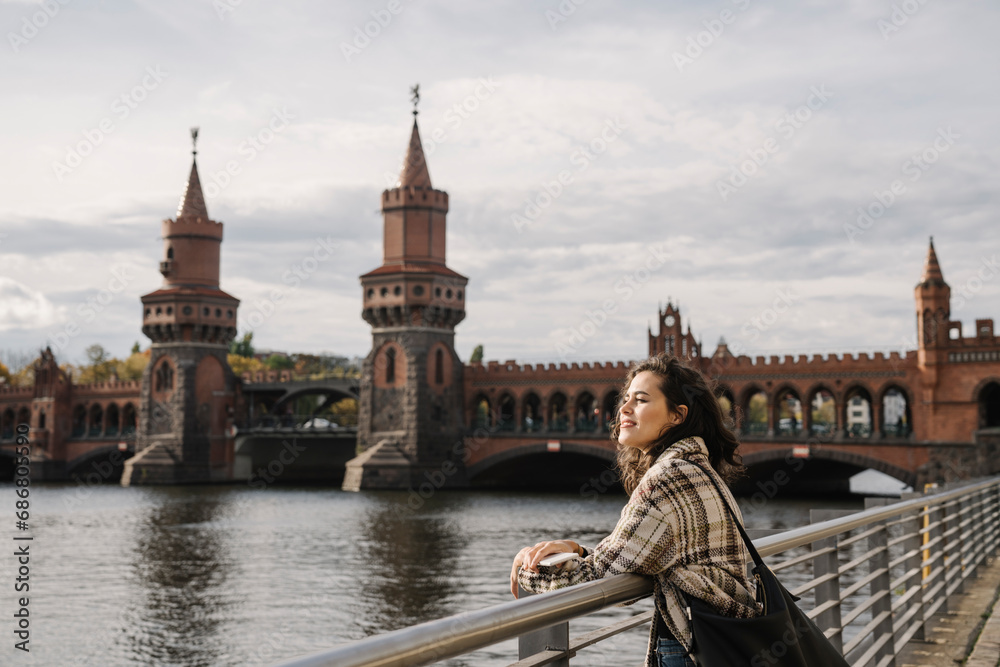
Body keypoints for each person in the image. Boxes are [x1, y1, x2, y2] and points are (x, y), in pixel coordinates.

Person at [510, 354, 760, 667]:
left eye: (641, 400)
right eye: (625, 398)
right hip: (727, 641)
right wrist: (576, 549)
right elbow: (634, 559)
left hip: (696, 650)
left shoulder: (667, 478)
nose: (624, 409)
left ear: (677, 415)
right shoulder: (697, 468)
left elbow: (594, 580)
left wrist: (527, 567)